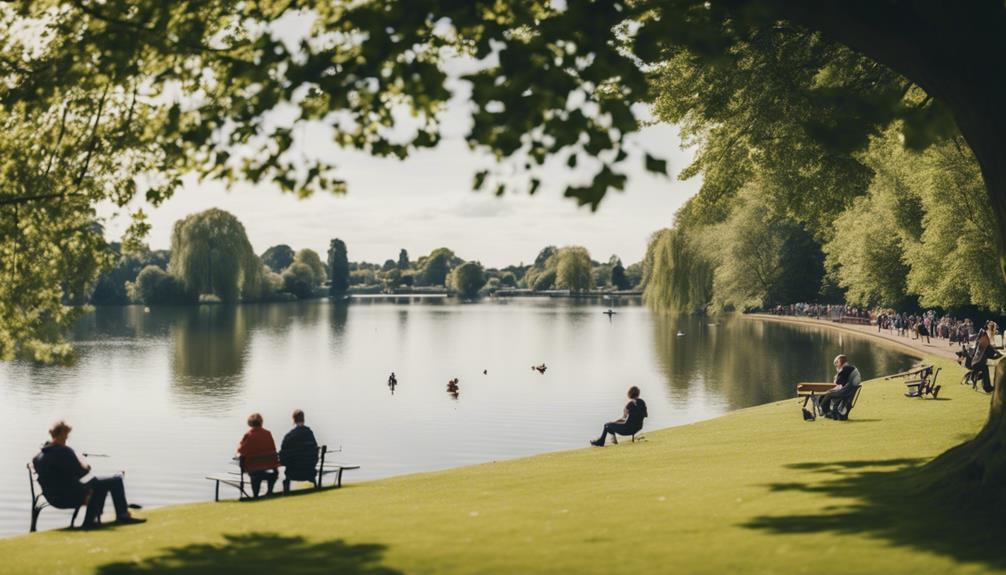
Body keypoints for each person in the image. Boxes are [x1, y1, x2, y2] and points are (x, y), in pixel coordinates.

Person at [32, 421, 145, 529]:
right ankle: (122, 516)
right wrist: (83, 463)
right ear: (63, 434)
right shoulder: (64, 451)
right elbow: (84, 473)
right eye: (67, 435)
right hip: (68, 496)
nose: (67, 438)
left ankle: (91, 521)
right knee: (114, 481)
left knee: (101, 484)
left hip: (52, 497)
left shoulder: (39, 456)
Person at [237, 413, 279, 497]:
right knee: (270, 472)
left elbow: (241, 451)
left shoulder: (249, 435)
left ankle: (255, 495)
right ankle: (269, 492)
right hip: (268, 466)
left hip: (253, 468)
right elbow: (273, 450)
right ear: (261, 422)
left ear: (250, 423)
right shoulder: (268, 433)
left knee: (254, 472)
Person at [279, 409, 319, 494]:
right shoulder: (309, 433)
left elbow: (282, 457)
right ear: (303, 419)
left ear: (293, 419)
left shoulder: (289, 436)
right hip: (310, 471)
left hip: (293, 472)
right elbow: (315, 453)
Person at [817, 355, 862, 419]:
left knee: (829, 394)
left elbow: (837, 382)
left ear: (841, 361)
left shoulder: (846, 368)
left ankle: (823, 410)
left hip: (848, 390)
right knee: (827, 394)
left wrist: (838, 373)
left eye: (836, 362)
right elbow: (841, 383)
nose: (836, 365)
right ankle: (826, 411)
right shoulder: (849, 368)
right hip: (849, 390)